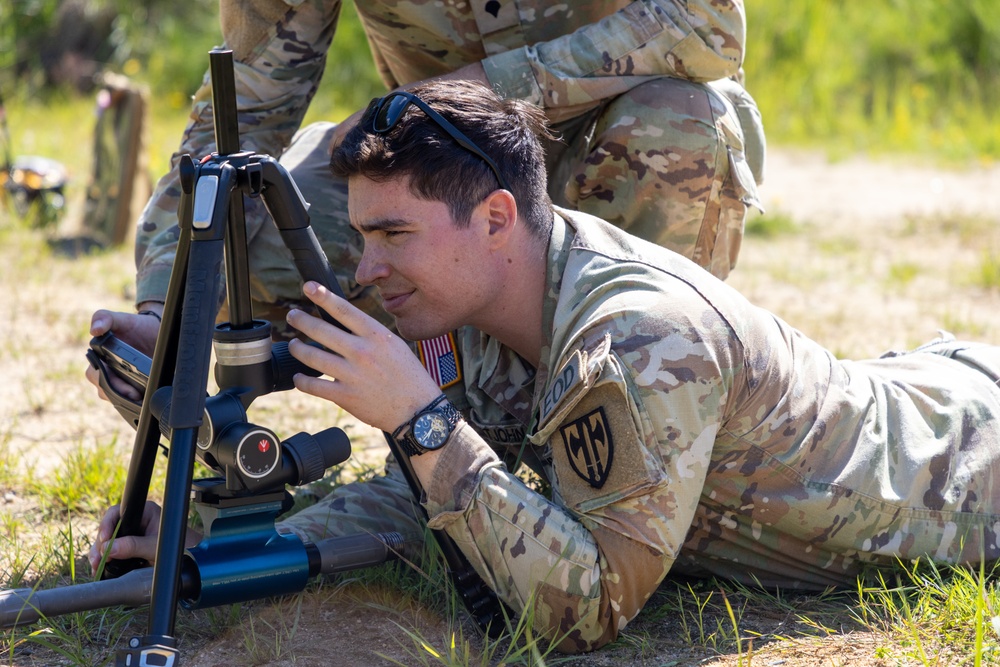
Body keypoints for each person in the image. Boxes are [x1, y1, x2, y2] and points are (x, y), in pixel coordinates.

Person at [91, 80, 1000, 653]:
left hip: (972, 473)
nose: (365, 270)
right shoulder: (479, 297)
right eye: (363, 235)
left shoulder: (639, 341)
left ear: (493, 218)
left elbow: (590, 607)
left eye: (393, 234)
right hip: (919, 392)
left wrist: (421, 420)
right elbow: (421, 500)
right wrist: (223, 555)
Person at [87, 0, 764, 370]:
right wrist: (168, 307)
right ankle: (449, 400)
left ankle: (647, 393)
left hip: (616, 146)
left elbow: (706, 24)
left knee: (687, 125)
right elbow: (245, 108)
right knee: (252, 246)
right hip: (444, 177)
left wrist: (476, 91)